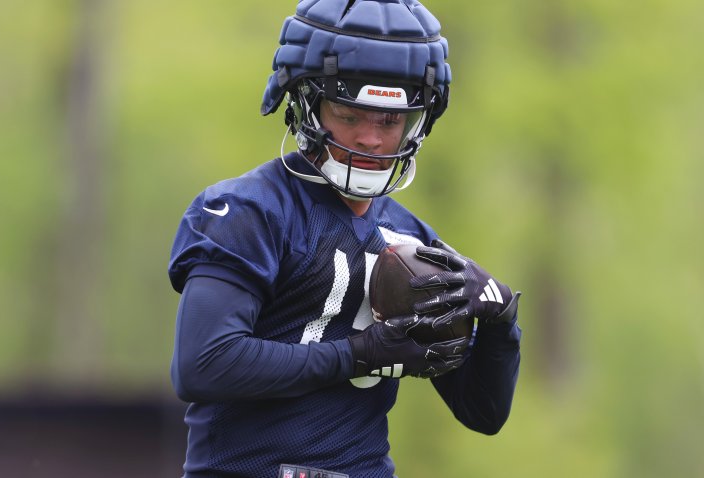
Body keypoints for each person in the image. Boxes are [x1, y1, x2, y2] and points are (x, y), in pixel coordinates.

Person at [167, 1, 522, 477]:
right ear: (306, 104)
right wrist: (357, 355)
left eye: (389, 121)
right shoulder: (249, 211)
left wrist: (500, 323)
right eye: (350, 113)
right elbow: (204, 363)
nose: (372, 139)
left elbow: (482, 412)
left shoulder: (413, 241)